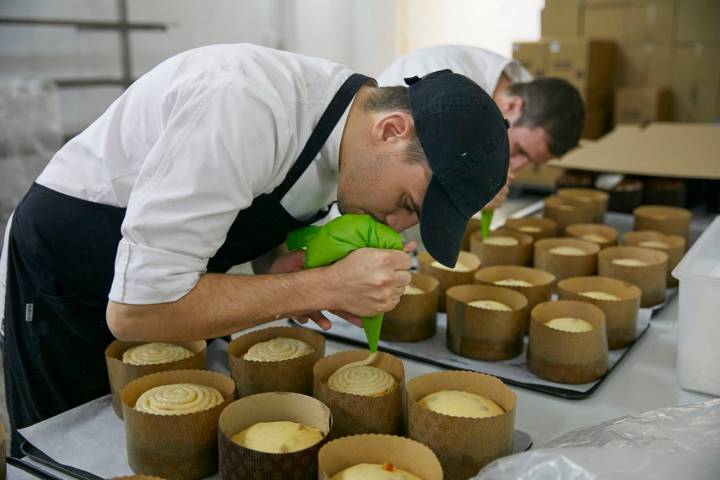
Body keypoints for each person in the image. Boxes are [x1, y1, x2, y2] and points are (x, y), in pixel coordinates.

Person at [0, 43, 509, 453]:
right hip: (69, 277)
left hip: (164, 287)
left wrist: (282, 269)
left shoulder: (346, 137)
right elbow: (138, 312)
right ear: (393, 130)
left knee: (163, 444)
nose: (398, 227)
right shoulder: (244, 106)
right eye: (406, 204)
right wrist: (317, 284)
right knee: (70, 450)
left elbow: (238, 227)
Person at [378, 44, 585, 208]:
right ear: (513, 106)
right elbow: (413, 170)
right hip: (383, 172)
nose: (517, 166)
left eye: (531, 161)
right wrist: (471, 192)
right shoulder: (441, 89)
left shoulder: (527, 93)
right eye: (520, 150)